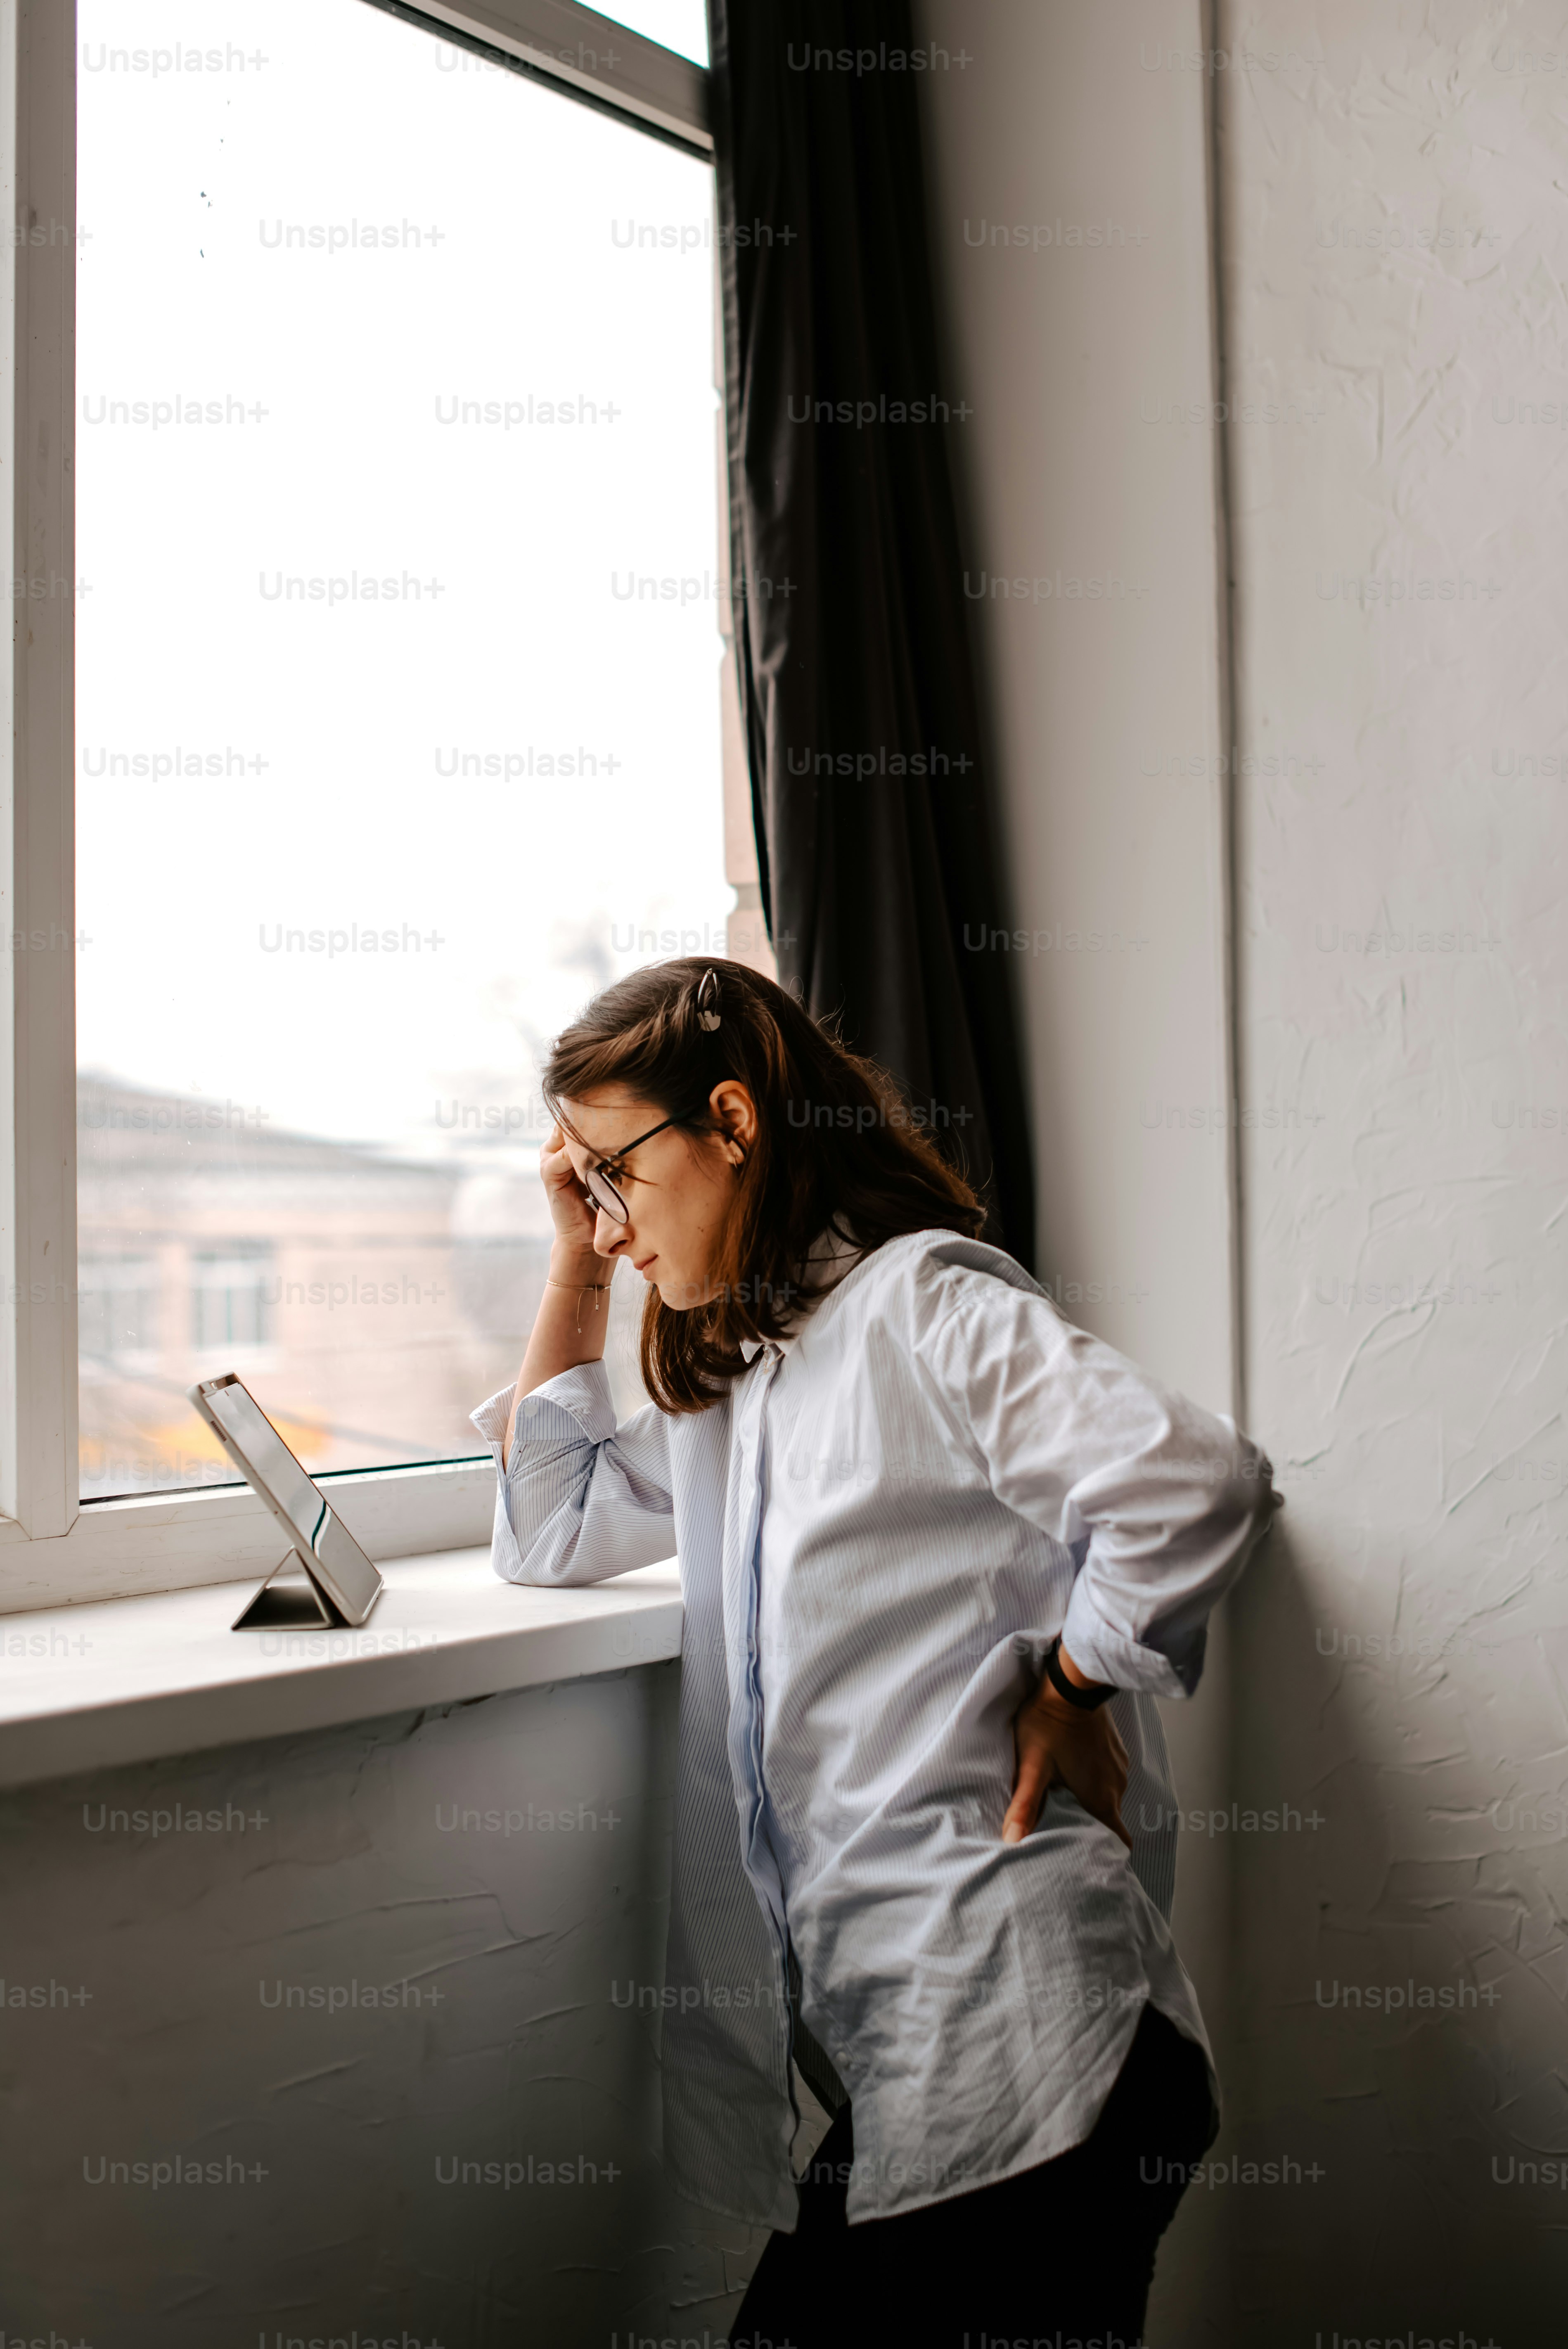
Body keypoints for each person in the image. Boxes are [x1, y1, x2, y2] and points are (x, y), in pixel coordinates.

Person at [472, 956, 1279, 2347]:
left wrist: (1074, 1677)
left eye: (613, 1179)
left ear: (732, 1122)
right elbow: (547, 1524)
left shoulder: (923, 1303)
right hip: (924, 2080)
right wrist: (567, 1251)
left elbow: (1195, 1479)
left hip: (1040, 2052)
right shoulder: (746, 1374)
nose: (606, 1226)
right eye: (582, 1189)